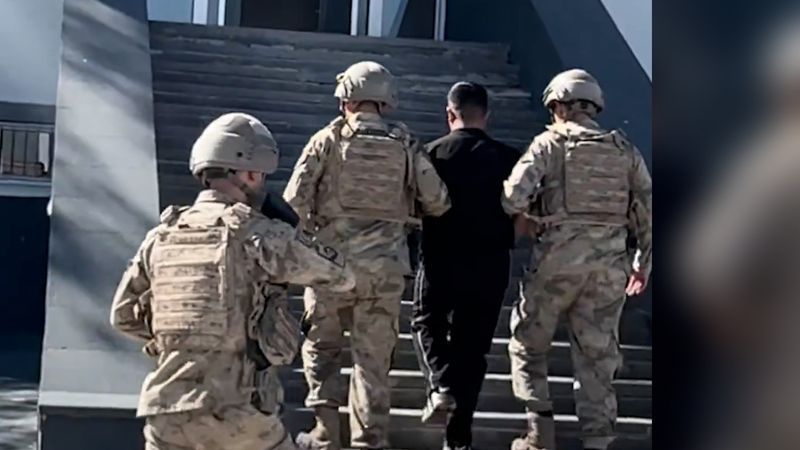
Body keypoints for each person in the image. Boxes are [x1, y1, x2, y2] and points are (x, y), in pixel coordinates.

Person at [110, 112, 356, 450]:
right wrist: (294, 230)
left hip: (166, 414)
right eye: (261, 176)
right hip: (239, 415)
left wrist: (184, 337)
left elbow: (123, 316)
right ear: (251, 173)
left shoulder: (161, 236)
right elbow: (341, 276)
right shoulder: (260, 233)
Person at [283, 61, 451, 450]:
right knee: (372, 360)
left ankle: (325, 432)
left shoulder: (327, 139)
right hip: (383, 272)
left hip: (329, 267)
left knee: (322, 349)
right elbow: (438, 201)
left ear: (347, 99)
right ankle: (369, 439)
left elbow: (294, 201)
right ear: (385, 101)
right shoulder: (405, 144)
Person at [502, 69, 652, 450]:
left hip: (557, 263)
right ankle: (597, 441)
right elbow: (648, 212)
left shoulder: (549, 143)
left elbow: (512, 197)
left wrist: (532, 216)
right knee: (598, 358)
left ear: (559, 106)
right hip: (609, 270)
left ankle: (539, 433)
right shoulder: (624, 150)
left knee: (527, 343)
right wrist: (642, 264)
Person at [410, 81, 521, 450]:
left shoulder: (430, 154)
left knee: (426, 322)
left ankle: (440, 384)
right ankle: (458, 440)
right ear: (486, 115)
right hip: (491, 263)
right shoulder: (510, 158)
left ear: (449, 114)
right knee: (472, 351)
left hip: (440, 258)